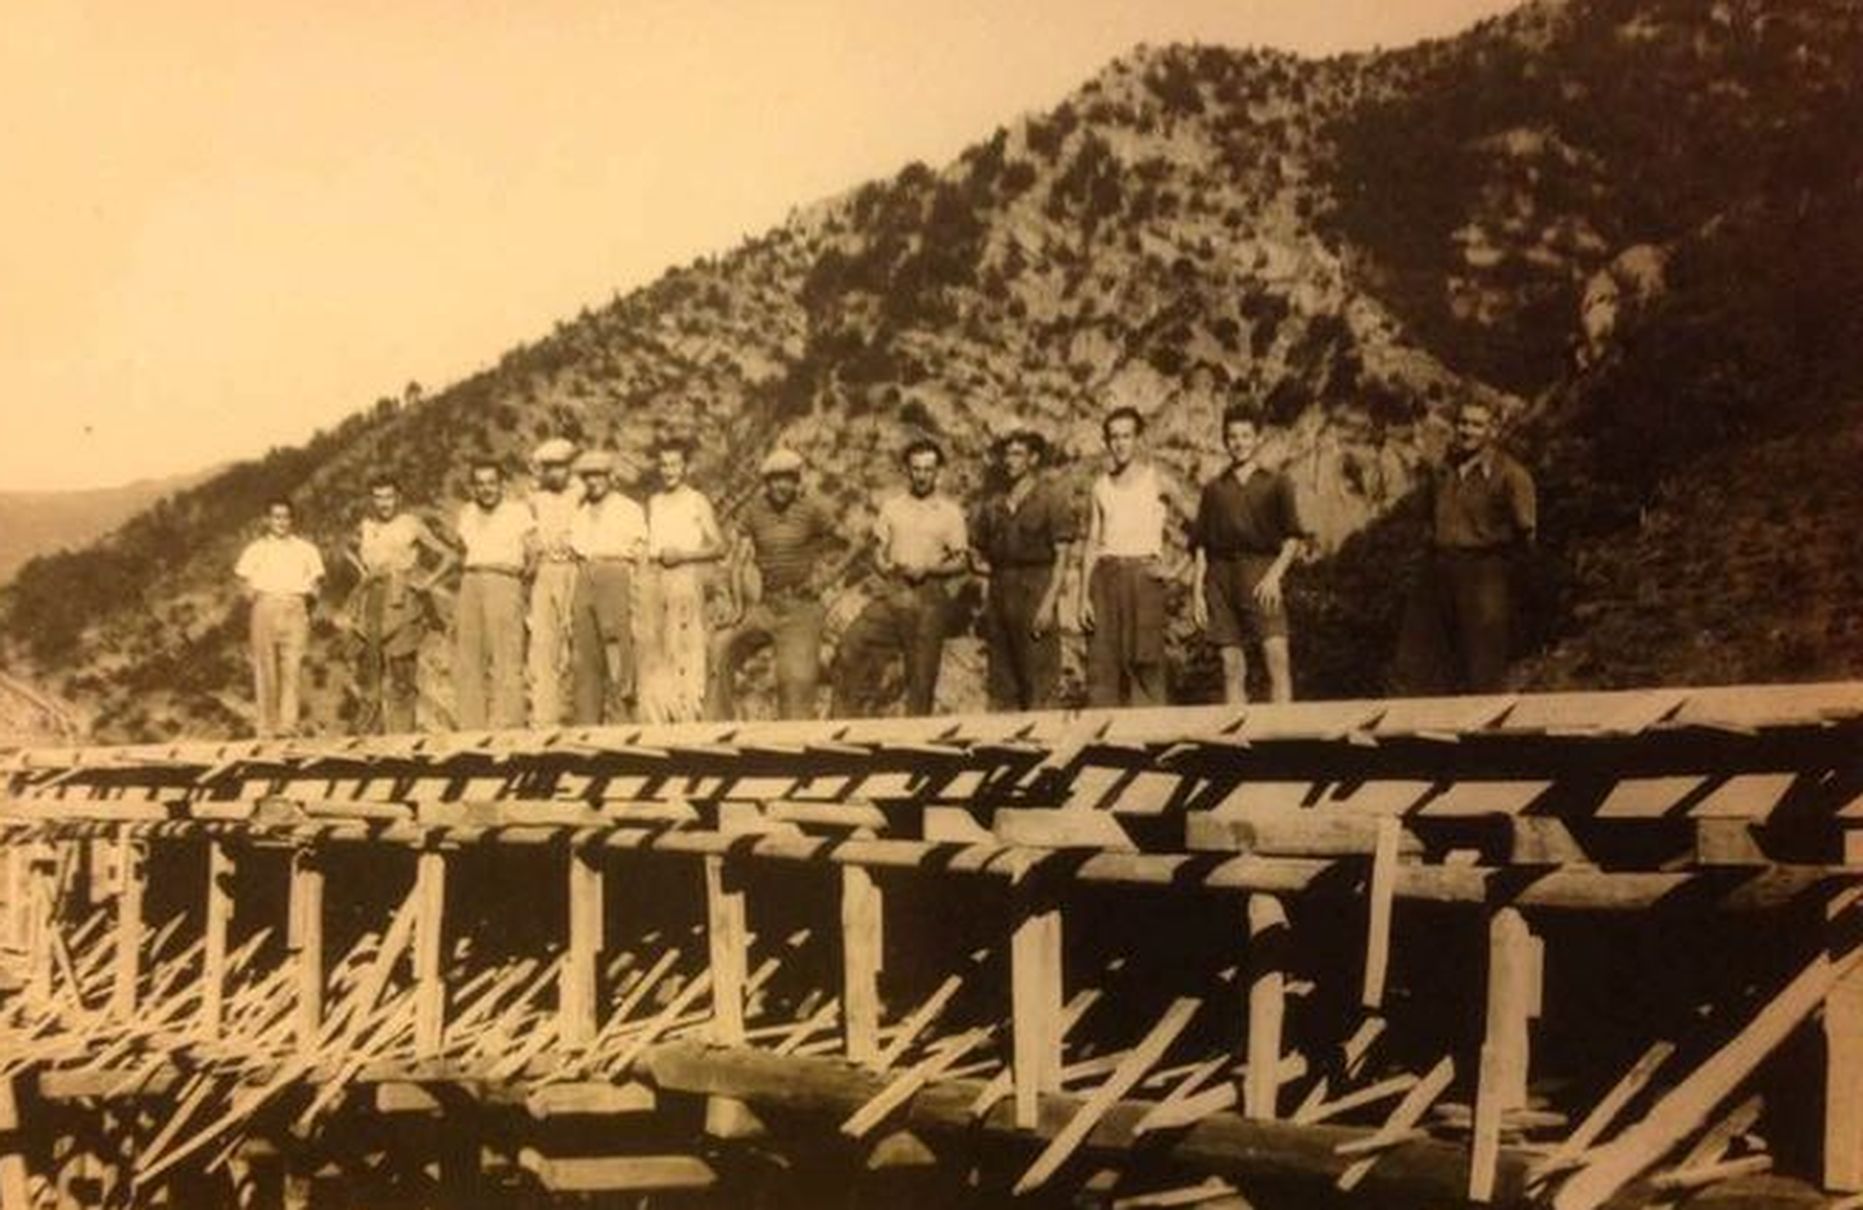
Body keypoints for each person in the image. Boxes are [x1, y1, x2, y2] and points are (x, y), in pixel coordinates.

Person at [1394, 398, 1538, 694]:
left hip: (1486, 575)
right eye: (1463, 423)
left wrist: (1506, 582)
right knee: (1427, 667)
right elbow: (1426, 521)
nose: (1467, 431)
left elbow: (1527, 536)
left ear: (1493, 430)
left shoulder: (1511, 475)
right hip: (1440, 572)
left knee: (1483, 667)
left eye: (1476, 424)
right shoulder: (1443, 472)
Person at [832, 439, 969, 718]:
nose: (922, 475)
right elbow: (878, 551)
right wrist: (883, 564)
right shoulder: (892, 507)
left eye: (928, 469)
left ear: (938, 472)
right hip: (894, 592)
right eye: (916, 469)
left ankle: (917, 748)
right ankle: (845, 722)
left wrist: (929, 569)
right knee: (851, 644)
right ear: (907, 471)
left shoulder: (950, 513)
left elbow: (961, 561)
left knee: (921, 679)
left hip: (929, 596)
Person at [707, 447, 843, 720]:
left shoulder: (813, 508)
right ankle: (717, 728)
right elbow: (737, 557)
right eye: (775, 479)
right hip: (766, 606)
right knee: (721, 648)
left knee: (794, 682)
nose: (782, 485)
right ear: (766, 482)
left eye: (788, 478)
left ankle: (798, 749)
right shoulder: (754, 512)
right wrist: (736, 607)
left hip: (801, 607)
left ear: (797, 480)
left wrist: (825, 579)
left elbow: (843, 544)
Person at [1190, 404, 1309, 704]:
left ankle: (1283, 734)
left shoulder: (1277, 483)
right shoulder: (1214, 489)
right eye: (1232, 437)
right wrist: (1197, 594)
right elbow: (1201, 545)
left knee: (1277, 656)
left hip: (1261, 574)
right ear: (1224, 441)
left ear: (1258, 439)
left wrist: (1273, 577)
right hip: (1221, 578)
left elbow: (1293, 538)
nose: (1239, 443)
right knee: (1232, 666)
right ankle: (1237, 745)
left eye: (1245, 435)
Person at [1077, 407, 1192, 708]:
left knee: (1146, 660)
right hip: (1105, 576)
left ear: (1139, 438)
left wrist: (1177, 571)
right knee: (1102, 663)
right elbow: (1092, 541)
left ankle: (1152, 742)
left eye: (1126, 436)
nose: (1120, 443)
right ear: (1106, 441)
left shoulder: (1158, 480)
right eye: (1113, 437)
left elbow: (1202, 525)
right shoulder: (1100, 486)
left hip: (1144, 576)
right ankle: (1105, 744)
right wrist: (1082, 598)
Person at [971, 429, 1076, 711]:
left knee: (1039, 682)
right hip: (1000, 595)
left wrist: (1048, 605)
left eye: (1017, 454)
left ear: (1033, 458)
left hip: (1036, 590)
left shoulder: (1051, 499)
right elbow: (977, 552)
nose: (1010, 460)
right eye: (1007, 454)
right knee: (1002, 682)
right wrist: (986, 596)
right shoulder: (993, 505)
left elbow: (1063, 556)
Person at [345, 476, 456, 734]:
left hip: (402, 599)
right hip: (371, 601)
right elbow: (346, 548)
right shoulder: (366, 525)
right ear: (371, 500)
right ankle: (370, 737)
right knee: (370, 671)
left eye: (389, 497)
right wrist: (362, 571)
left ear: (398, 498)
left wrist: (427, 582)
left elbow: (449, 555)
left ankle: (402, 736)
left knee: (401, 672)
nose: (384, 503)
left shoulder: (411, 524)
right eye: (378, 497)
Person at [636, 438, 725, 723]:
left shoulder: (696, 500)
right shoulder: (654, 502)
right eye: (663, 465)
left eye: (674, 464)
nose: (668, 470)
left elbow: (719, 546)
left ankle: (688, 715)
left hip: (685, 577)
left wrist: (683, 555)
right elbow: (648, 544)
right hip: (656, 579)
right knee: (657, 648)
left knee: (685, 646)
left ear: (685, 467)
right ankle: (662, 716)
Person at [233, 499, 325, 738]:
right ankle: (266, 727)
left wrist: (305, 607)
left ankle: (288, 726)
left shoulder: (306, 549)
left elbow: (316, 584)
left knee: (292, 668)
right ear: (268, 519)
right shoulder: (256, 549)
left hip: (296, 605)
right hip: (265, 605)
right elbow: (242, 580)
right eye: (276, 517)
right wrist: (255, 599)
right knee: (265, 668)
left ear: (292, 520)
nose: (281, 522)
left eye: (285, 517)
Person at [568, 450, 647, 725]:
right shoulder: (579, 514)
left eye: (598, 475)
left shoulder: (629, 509)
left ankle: (622, 719)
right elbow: (575, 555)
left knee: (616, 647)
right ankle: (587, 722)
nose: (593, 481)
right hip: (585, 574)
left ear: (610, 477)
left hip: (616, 573)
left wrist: (637, 592)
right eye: (587, 476)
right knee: (584, 652)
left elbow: (640, 554)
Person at [453, 460, 534, 729]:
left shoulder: (518, 512)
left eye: (491, 483)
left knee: (506, 656)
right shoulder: (467, 512)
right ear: (473, 487)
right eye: (480, 484)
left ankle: (508, 726)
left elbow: (533, 554)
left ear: (502, 485)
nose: (486, 489)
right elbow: (461, 551)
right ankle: (471, 728)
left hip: (504, 578)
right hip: (471, 581)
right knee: (469, 657)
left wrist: (518, 586)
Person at [526, 437, 584, 725]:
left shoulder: (580, 494)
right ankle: (544, 715)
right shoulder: (536, 499)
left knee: (576, 639)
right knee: (543, 641)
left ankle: (576, 712)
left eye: (561, 467)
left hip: (575, 568)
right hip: (545, 570)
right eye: (550, 468)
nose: (556, 473)